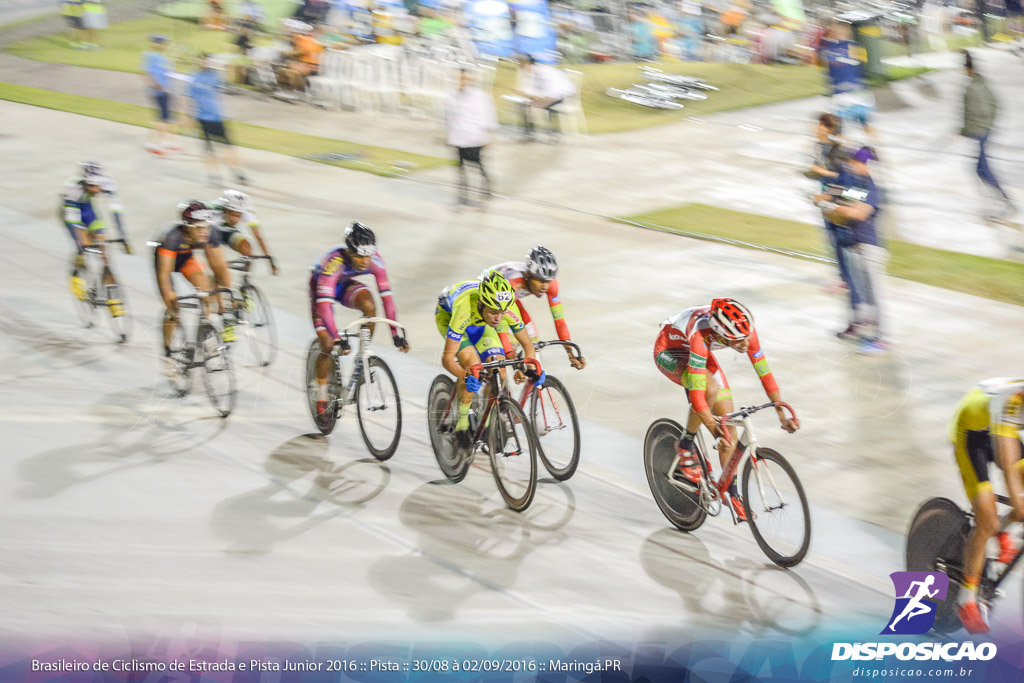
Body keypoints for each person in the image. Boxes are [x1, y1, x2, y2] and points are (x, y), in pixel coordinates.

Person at [652, 298, 799, 522]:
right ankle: (685, 445)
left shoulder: (745, 331)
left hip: (698, 353)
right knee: (709, 389)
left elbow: (764, 372)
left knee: (728, 425)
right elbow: (699, 397)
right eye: (738, 341)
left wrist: (781, 411)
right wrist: (712, 427)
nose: (746, 343)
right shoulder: (701, 336)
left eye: (747, 337)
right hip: (670, 350)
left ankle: (732, 493)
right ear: (721, 336)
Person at [309, 223, 409, 419]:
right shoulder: (333, 263)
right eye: (359, 257)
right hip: (321, 290)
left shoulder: (376, 262)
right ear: (348, 250)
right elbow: (324, 306)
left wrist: (395, 334)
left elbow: (387, 298)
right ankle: (320, 396)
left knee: (370, 306)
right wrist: (337, 338)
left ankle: (362, 354)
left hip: (344, 285)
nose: (364, 262)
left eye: (368, 256)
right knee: (328, 344)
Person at [949, 378, 1024, 634]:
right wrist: (1019, 505)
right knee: (987, 519)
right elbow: (1010, 473)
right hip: (971, 433)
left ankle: (1002, 529)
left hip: (1002, 429)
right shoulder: (1014, 400)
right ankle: (966, 598)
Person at [435, 271, 544, 446]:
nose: (498, 318)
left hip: (480, 323)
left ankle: (484, 423)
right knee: (472, 366)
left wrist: (529, 365)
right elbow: (447, 359)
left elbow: (528, 345)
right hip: (450, 317)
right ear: (481, 303)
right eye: (494, 312)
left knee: (499, 370)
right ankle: (462, 423)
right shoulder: (464, 308)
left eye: (502, 313)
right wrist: (465, 376)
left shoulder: (505, 307)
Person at [814, 146, 887, 355]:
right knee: (866, 296)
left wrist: (834, 209)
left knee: (875, 298)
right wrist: (825, 196)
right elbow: (844, 192)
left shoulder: (871, 186)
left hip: (870, 247)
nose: (851, 167)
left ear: (863, 164)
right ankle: (871, 333)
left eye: (853, 163)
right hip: (858, 247)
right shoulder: (861, 185)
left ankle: (883, 339)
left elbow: (861, 213)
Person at [480, 245, 586, 370]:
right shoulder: (513, 282)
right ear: (527, 276)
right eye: (540, 281)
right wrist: (510, 354)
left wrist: (570, 352)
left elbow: (559, 321)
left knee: (533, 341)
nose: (545, 287)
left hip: (513, 300)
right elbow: (502, 322)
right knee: (506, 347)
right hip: (493, 300)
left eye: (548, 281)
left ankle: (534, 385)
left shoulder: (551, 284)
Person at [153, 201, 227, 377]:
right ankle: (168, 354)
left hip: (186, 259)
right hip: (166, 261)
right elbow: (164, 275)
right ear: (187, 227)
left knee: (206, 287)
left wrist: (219, 295)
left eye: (207, 227)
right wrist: (170, 296)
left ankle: (208, 339)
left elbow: (218, 267)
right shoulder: (173, 237)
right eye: (199, 227)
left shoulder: (210, 235)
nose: (204, 232)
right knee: (172, 307)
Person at [61, 162, 131, 315]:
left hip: (88, 211)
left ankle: (112, 297)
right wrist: (80, 247)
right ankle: (75, 277)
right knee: (83, 243)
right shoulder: (73, 189)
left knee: (103, 249)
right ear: (84, 182)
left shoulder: (109, 185)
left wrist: (123, 237)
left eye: (97, 186)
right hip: (72, 213)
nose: (95, 189)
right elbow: (73, 222)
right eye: (90, 186)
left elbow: (116, 213)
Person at [961, 50, 1016, 223]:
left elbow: (971, 113)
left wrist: (966, 130)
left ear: (966, 68)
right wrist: (989, 123)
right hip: (985, 130)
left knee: (983, 168)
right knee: (979, 168)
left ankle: (1004, 202)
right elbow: (995, 104)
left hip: (979, 132)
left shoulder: (970, 89)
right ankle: (998, 201)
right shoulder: (984, 84)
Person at [187, 54, 247, 186]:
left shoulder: (215, 76)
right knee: (209, 149)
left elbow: (229, 82)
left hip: (218, 117)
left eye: (206, 60)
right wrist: (189, 117)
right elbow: (190, 98)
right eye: (202, 60)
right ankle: (214, 176)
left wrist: (230, 68)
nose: (204, 62)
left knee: (228, 147)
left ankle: (238, 173)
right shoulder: (194, 77)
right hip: (202, 118)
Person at [446, 69, 498, 211]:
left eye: (466, 79)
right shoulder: (453, 96)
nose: (463, 82)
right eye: (461, 79)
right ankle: (462, 200)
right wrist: (447, 134)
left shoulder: (480, 96)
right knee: (461, 170)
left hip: (475, 138)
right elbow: (450, 117)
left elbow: (488, 116)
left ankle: (484, 199)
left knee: (479, 168)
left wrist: (489, 136)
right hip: (458, 138)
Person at [819, 21, 874, 139]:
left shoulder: (855, 46)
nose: (838, 32)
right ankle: (839, 149)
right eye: (835, 30)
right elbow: (825, 65)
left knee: (863, 123)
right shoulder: (829, 48)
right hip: (840, 93)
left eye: (840, 30)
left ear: (847, 31)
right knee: (836, 126)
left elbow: (861, 69)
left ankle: (872, 146)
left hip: (854, 93)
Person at [209, 190, 278, 271]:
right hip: (210, 232)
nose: (235, 220)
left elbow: (258, 236)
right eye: (232, 214)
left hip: (228, 231)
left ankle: (245, 278)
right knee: (217, 265)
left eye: (238, 216)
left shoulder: (246, 211)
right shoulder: (212, 209)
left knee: (247, 249)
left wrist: (270, 260)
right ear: (225, 209)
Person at [514, 55, 576, 143]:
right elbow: (535, 91)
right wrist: (526, 94)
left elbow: (553, 91)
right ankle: (530, 134)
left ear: (529, 64)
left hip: (562, 95)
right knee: (526, 106)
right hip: (552, 95)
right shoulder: (534, 73)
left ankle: (554, 134)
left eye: (523, 66)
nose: (522, 69)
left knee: (539, 106)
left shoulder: (544, 72)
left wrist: (538, 99)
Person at [141, 35, 182, 156]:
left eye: (162, 43)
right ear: (153, 44)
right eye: (157, 43)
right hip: (157, 92)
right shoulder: (150, 56)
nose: (159, 45)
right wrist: (154, 85)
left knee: (166, 117)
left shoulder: (165, 59)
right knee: (163, 118)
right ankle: (157, 144)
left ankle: (162, 141)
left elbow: (169, 75)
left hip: (167, 90)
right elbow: (145, 73)